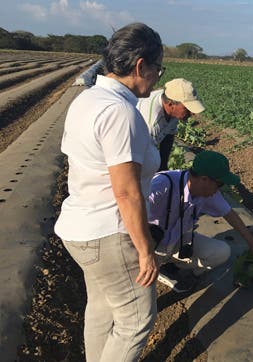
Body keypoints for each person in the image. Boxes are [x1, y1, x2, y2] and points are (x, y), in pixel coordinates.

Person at [54, 23, 163, 361]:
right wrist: (145, 250)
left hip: (79, 228)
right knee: (136, 321)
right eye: (158, 68)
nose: (158, 77)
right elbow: (126, 192)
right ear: (140, 66)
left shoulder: (87, 99)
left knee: (102, 308)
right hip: (109, 234)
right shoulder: (120, 112)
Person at [149, 150, 253, 292]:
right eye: (219, 184)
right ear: (204, 179)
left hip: (177, 241)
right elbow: (128, 218)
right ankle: (158, 265)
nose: (220, 189)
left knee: (221, 252)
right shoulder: (162, 186)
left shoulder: (208, 192)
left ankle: (169, 267)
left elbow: (230, 214)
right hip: (148, 247)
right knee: (144, 290)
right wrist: (146, 254)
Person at [137, 78, 205, 171]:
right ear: (171, 104)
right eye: (187, 108)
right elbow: (141, 158)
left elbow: (168, 136)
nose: (192, 113)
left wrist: (163, 166)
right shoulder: (151, 123)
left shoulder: (171, 105)